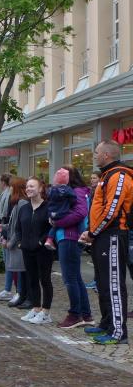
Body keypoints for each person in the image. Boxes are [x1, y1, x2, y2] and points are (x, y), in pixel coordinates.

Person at [79, 140, 133, 345]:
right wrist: (92, 232)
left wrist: (92, 232)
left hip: (113, 235)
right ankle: (107, 323)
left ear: (107, 155)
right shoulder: (107, 175)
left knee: (113, 284)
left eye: (97, 152)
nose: (94, 155)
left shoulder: (119, 175)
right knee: (102, 282)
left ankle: (118, 332)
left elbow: (111, 211)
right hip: (103, 235)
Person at [48, 166, 93, 329]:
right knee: (75, 278)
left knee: (70, 278)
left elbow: (80, 213)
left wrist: (58, 222)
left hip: (69, 237)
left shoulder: (76, 192)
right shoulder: (74, 191)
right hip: (69, 237)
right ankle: (85, 315)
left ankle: (75, 315)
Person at [17, 177, 53, 324]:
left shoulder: (48, 207)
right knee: (31, 279)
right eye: (27, 187)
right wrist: (20, 242)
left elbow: (51, 228)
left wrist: (41, 241)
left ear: (40, 188)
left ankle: (46, 312)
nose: (28, 189)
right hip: (27, 249)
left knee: (45, 279)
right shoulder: (24, 208)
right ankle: (36, 308)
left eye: (32, 186)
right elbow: (18, 228)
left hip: (43, 250)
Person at [0, 177, 29, 308]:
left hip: (18, 243)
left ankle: (21, 294)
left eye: (11, 186)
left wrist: (10, 243)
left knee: (20, 270)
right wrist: (4, 227)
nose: (9, 189)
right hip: (14, 241)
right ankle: (20, 294)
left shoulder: (21, 203)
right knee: (18, 270)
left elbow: (18, 227)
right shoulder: (17, 203)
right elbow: (13, 224)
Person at [43, 169, 77, 251]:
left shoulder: (51, 189)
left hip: (51, 212)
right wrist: (70, 204)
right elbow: (74, 199)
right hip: (63, 212)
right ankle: (50, 240)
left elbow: (48, 198)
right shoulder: (68, 189)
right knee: (57, 225)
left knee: (54, 225)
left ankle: (49, 239)